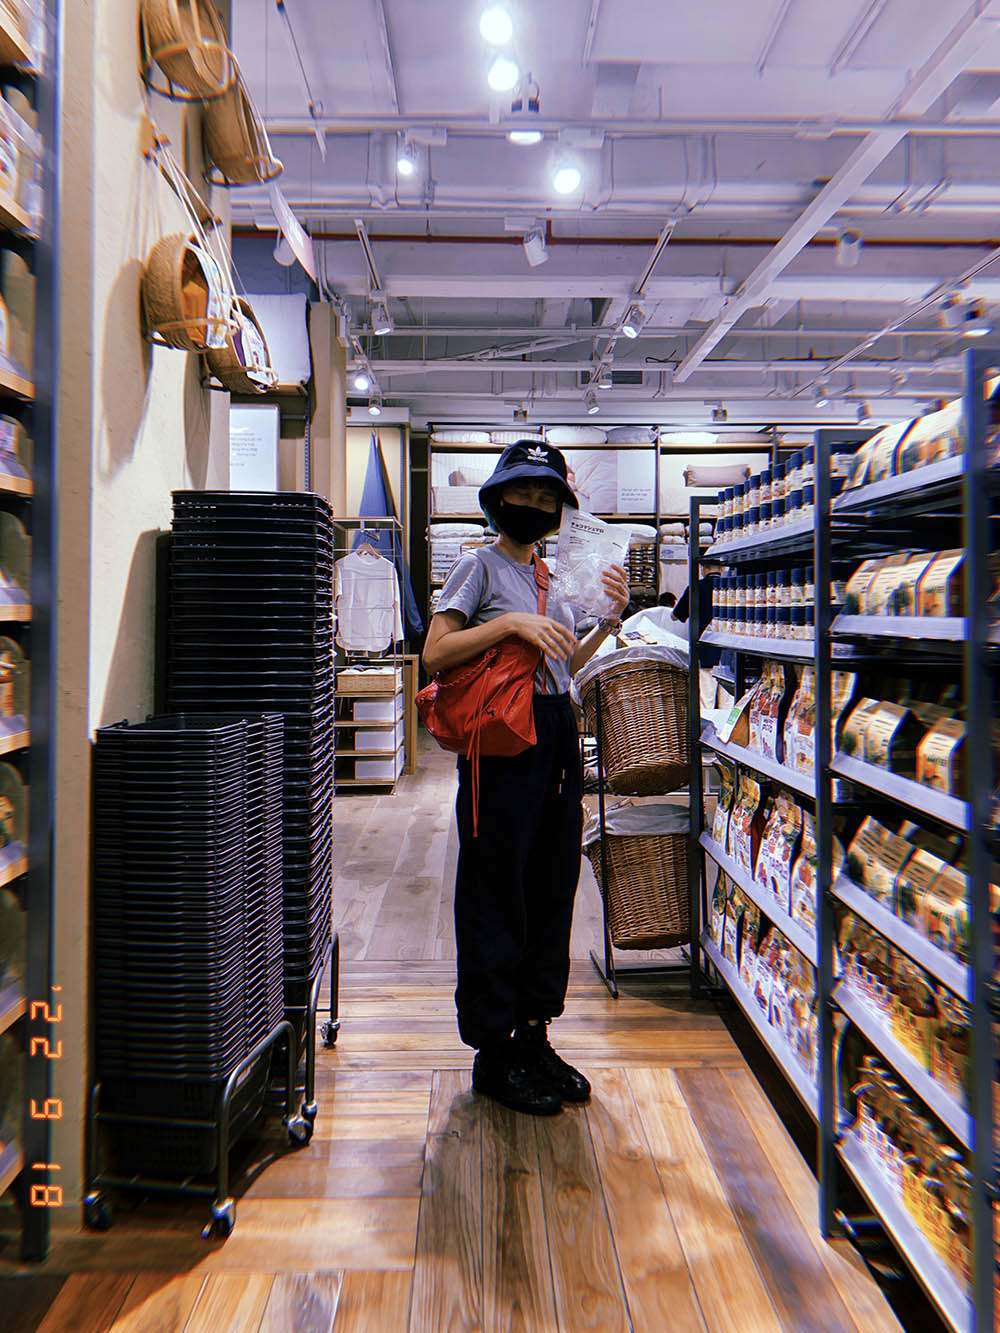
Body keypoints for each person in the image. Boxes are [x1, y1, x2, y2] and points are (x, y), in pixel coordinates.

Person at [422, 440, 629, 1116]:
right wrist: (511, 622)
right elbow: (435, 652)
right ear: (498, 499)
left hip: (556, 731)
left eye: (547, 497)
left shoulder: (557, 577)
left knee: (551, 883)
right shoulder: (477, 567)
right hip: (501, 742)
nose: (535, 505)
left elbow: (565, 664)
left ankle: (534, 1034)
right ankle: (494, 1049)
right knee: (494, 886)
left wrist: (608, 620)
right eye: (524, 493)